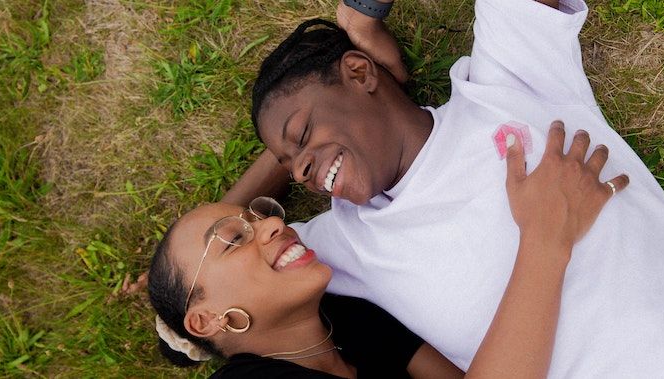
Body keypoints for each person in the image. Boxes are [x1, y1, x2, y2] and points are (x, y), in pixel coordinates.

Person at [223, 0, 664, 377]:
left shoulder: (504, 80)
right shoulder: (344, 244)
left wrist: (364, 13)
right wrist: (293, 150)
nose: (301, 173)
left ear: (359, 73)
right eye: (290, 169)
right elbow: (201, 265)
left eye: (303, 133)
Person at [149, 126, 625, 378]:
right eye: (234, 239)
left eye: (260, 217)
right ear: (206, 321)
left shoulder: (347, 321)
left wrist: (299, 141)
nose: (274, 223)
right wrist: (545, 240)